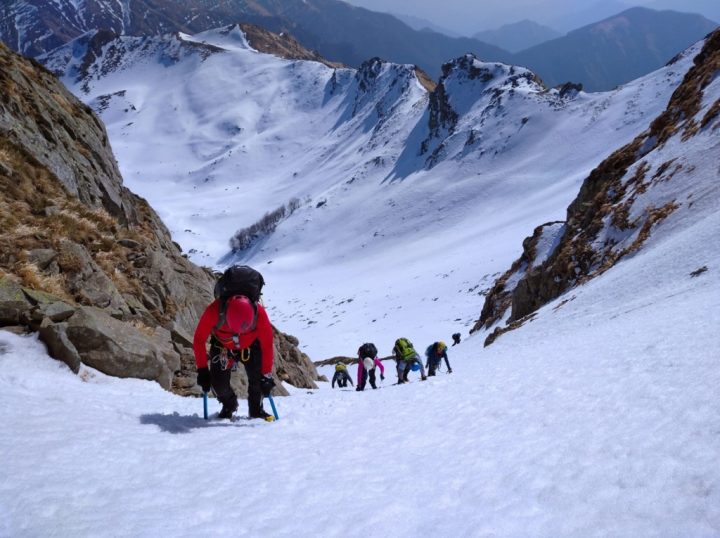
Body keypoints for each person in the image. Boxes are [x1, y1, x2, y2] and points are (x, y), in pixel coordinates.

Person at [193, 279, 276, 421]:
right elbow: (199, 340)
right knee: (218, 384)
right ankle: (229, 404)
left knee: (257, 381)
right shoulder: (215, 310)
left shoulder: (259, 314)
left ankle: (256, 410)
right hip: (223, 346)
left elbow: (267, 345)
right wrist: (202, 370)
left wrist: (266, 375)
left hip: (251, 345)